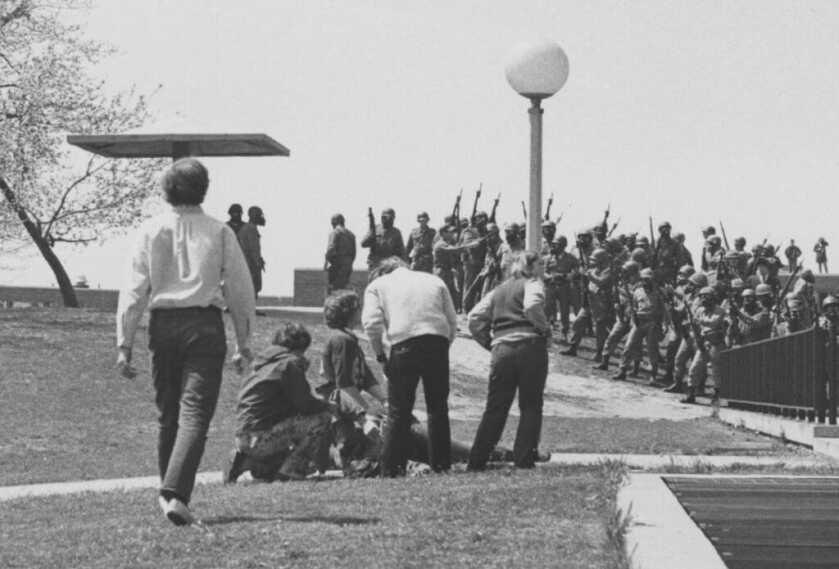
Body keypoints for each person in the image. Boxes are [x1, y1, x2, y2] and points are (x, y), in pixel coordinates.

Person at [116, 158, 256, 526]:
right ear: (203, 189)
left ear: (166, 190)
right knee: (195, 412)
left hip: (162, 325)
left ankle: (170, 493)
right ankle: (175, 492)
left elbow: (134, 290)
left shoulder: (150, 230)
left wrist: (124, 342)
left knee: (169, 415)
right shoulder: (220, 231)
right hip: (204, 325)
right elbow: (240, 290)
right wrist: (243, 342)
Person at [362, 256, 457, 476]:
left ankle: (392, 468)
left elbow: (372, 324)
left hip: (403, 343)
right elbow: (451, 320)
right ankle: (441, 465)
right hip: (437, 341)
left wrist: (380, 355)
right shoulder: (434, 280)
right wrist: (444, 346)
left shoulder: (377, 286)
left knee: (398, 410)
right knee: (438, 407)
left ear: (383, 272)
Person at [466, 251, 551, 470]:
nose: (544, 267)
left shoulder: (498, 290)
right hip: (530, 346)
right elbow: (532, 306)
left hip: (501, 349)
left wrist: (489, 342)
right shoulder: (533, 283)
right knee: (531, 404)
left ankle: (477, 459)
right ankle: (524, 458)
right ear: (530, 267)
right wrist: (544, 328)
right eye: (541, 264)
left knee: (495, 407)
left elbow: (474, 317)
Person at [224, 322, 333, 484]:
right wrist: (329, 405)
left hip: (244, 436)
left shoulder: (262, 363)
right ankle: (292, 469)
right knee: (322, 418)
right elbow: (305, 404)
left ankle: (248, 462)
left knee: (295, 428)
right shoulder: (289, 363)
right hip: (261, 438)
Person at [319, 290, 387, 414]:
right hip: (339, 404)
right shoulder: (341, 340)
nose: (361, 310)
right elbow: (344, 385)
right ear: (349, 312)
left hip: (348, 401)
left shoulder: (348, 338)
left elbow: (365, 375)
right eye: (359, 307)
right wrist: (367, 410)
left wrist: (384, 400)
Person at [681, 286, 727, 404]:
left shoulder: (720, 311)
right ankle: (690, 394)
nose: (704, 300)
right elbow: (695, 325)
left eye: (707, 297)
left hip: (716, 343)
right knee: (694, 368)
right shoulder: (700, 310)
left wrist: (698, 321)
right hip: (703, 342)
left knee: (716, 371)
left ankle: (717, 396)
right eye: (701, 297)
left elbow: (715, 323)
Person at [361, 207, 405, 275]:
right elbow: (363, 244)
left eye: (392, 218)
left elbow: (402, 252)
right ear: (382, 218)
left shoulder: (396, 232)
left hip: (390, 266)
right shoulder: (375, 229)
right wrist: (371, 236)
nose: (391, 220)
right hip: (375, 265)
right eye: (388, 218)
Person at [238, 206, 266, 299]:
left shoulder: (246, 228)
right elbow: (253, 249)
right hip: (250, 265)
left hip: (245, 263)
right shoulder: (250, 229)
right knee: (253, 286)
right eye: (259, 215)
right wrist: (258, 262)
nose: (261, 217)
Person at [324, 213, 357, 293]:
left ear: (334, 223)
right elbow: (354, 253)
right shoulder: (351, 235)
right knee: (343, 290)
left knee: (334, 292)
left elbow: (331, 249)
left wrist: (326, 262)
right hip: (348, 267)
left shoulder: (335, 232)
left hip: (337, 267)